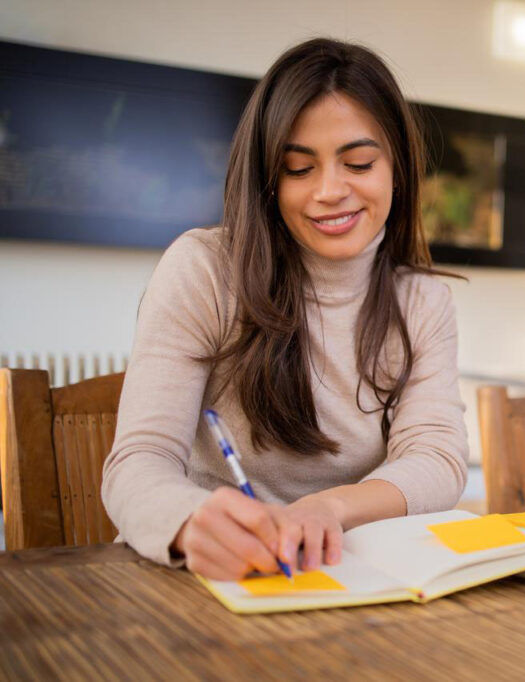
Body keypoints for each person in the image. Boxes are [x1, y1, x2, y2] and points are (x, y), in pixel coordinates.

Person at [101, 38, 469, 581]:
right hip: (207, 577)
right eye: (299, 169)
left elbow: (437, 457)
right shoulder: (205, 270)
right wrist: (188, 520)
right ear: (269, 181)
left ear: (397, 167)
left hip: (349, 574)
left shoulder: (422, 300)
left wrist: (331, 509)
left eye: (359, 162)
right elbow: (137, 463)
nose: (329, 191)